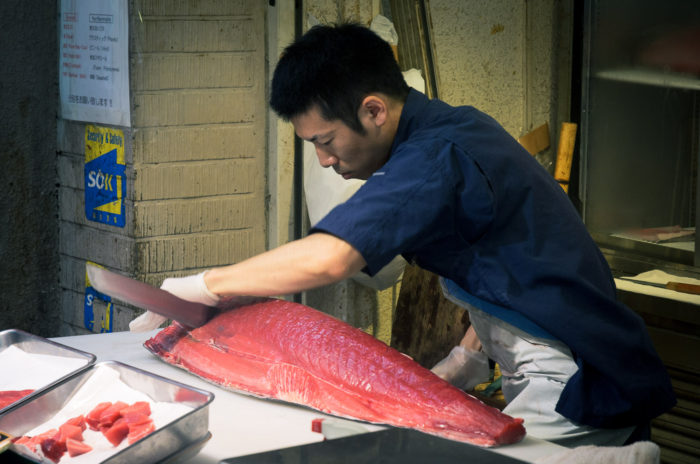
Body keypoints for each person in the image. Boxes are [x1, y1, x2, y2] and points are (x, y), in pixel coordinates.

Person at [130, 23, 676, 447]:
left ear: (374, 110)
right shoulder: (452, 129)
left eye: (326, 140)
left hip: (583, 383)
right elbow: (510, 262)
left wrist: (203, 285)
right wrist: (469, 356)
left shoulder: (435, 155)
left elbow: (329, 259)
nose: (323, 160)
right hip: (547, 364)